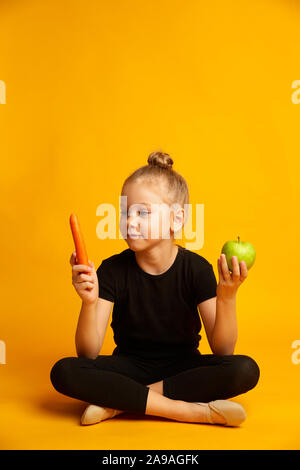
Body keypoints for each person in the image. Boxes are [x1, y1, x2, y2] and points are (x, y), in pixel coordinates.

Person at [50, 151, 260, 427]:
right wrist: (88, 303)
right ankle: (192, 412)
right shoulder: (111, 270)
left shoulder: (196, 269)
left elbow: (223, 351)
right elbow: (87, 353)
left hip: (183, 370)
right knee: (63, 371)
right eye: (125, 212)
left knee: (245, 369)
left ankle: (118, 404)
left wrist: (227, 297)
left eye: (142, 213)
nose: (130, 221)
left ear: (176, 219)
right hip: (127, 369)